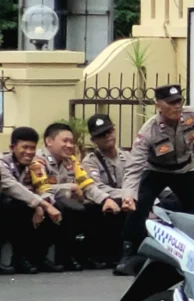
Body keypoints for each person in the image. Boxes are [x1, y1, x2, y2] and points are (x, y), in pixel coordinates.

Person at [115, 85, 194, 276]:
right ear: (158, 105)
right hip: (156, 170)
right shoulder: (148, 131)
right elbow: (134, 167)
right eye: (171, 103)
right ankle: (130, 253)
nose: (177, 107)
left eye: (179, 102)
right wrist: (128, 195)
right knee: (139, 205)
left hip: (185, 169)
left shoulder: (193, 115)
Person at [32, 122, 122, 270]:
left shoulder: (71, 161)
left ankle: (91, 254)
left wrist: (106, 199)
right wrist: (69, 188)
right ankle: (59, 256)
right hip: (44, 204)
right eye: (65, 141)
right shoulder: (38, 161)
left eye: (71, 142)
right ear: (49, 141)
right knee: (67, 206)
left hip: (68, 203)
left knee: (94, 207)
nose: (69, 145)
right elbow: (42, 188)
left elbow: (87, 184)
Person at [1, 127, 63, 273]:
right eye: (25, 147)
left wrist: (44, 203)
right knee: (15, 205)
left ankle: (38, 257)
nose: (29, 152)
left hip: (25, 205)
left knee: (59, 206)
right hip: (6, 207)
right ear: (12, 147)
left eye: (33, 148)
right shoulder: (2, 163)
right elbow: (13, 187)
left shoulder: (34, 165)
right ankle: (19, 258)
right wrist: (41, 205)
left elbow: (43, 187)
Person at [81, 114, 132, 266]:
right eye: (101, 135)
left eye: (109, 132)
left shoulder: (127, 157)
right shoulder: (90, 161)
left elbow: (137, 179)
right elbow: (96, 186)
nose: (107, 137)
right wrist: (127, 194)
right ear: (93, 140)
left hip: (127, 201)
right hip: (105, 206)